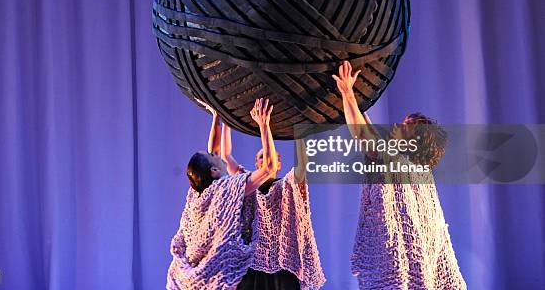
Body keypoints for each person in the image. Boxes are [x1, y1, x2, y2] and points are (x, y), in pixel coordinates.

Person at [333, 61, 466, 290]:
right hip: (412, 262)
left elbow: (364, 136)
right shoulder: (420, 172)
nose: (398, 125)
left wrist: (347, 91)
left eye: (407, 126)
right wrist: (356, 99)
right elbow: (372, 136)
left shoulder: (399, 164)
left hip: (398, 262)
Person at [196, 102, 325, 289]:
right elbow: (225, 156)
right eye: (261, 156)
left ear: (279, 164)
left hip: (283, 264)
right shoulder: (247, 182)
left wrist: (299, 131)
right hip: (253, 263)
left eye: (272, 156)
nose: (267, 157)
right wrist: (227, 117)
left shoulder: (288, 186)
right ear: (257, 163)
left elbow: (302, 166)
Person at [167, 98, 279, 290]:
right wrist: (263, 124)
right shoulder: (228, 189)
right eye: (213, 157)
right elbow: (269, 167)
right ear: (214, 171)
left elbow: (216, 149)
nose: (215, 154)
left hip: (195, 277)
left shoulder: (197, 194)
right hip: (225, 273)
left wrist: (218, 115)